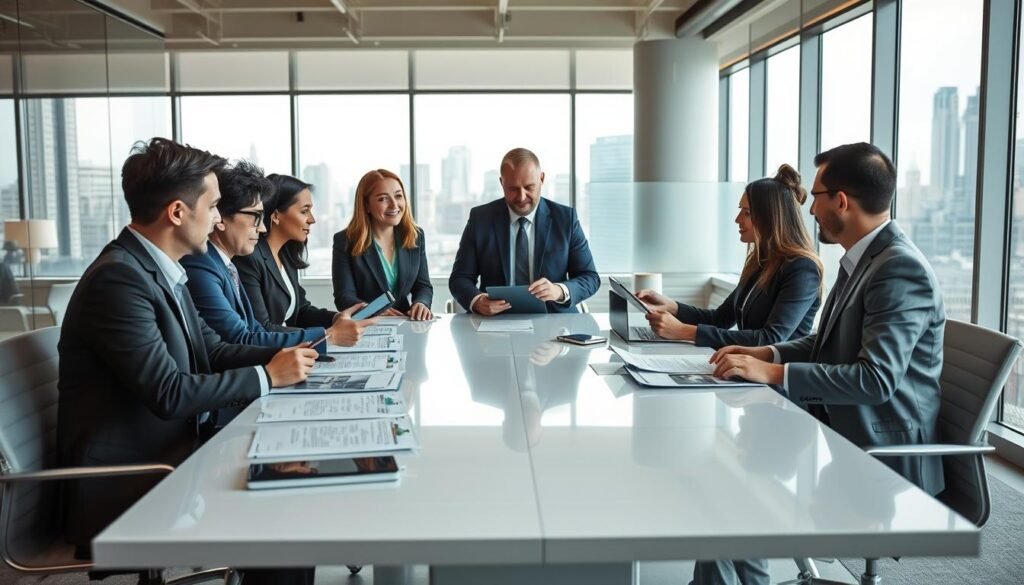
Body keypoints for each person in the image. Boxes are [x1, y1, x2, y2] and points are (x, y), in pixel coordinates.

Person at [56, 138, 316, 584]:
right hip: (130, 481)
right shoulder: (119, 280)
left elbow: (212, 349)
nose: (219, 219)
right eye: (214, 206)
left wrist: (293, 355)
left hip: (172, 452)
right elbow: (170, 392)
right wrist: (268, 376)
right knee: (286, 505)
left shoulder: (159, 270)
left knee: (293, 466)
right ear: (178, 213)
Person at [703, 142, 945, 585]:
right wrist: (767, 353)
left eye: (815, 196)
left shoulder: (898, 268)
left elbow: (875, 381)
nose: (808, 209)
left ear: (841, 201)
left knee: (731, 488)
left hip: (878, 460)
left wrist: (774, 372)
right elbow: (826, 343)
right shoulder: (865, 259)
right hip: (837, 429)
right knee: (726, 484)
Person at [182, 160, 372, 351]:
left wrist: (334, 321)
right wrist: (327, 336)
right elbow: (243, 337)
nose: (262, 227)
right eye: (256, 216)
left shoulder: (230, 264)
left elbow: (256, 328)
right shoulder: (207, 265)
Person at [637, 165, 822, 349]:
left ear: (771, 218)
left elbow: (770, 339)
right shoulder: (761, 263)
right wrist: (672, 307)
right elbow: (720, 318)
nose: (737, 219)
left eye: (747, 213)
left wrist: (684, 331)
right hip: (745, 369)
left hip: (773, 376)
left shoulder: (803, 269)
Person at [449, 147, 599, 314]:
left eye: (529, 187)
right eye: (513, 189)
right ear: (501, 183)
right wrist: (477, 301)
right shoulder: (480, 219)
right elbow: (459, 279)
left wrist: (559, 290)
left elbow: (590, 278)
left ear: (541, 179)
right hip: (495, 322)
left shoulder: (565, 219)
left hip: (555, 320)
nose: (521, 197)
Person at [235, 173, 341, 330]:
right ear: (276, 215)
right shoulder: (250, 258)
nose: (312, 219)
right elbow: (262, 328)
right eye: (304, 211)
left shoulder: (285, 255)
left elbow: (301, 312)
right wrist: (329, 336)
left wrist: (336, 318)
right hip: (274, 351)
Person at [332, 169, 433, 320]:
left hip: (407, 323)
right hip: (367, 326)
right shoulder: (345, 241)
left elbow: (423, 286)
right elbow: (344, 297)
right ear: (366, 205)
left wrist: (421, 303)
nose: (394, 205)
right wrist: (373, 310)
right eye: (383, 199)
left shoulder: (415, 236)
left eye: (398, 196)